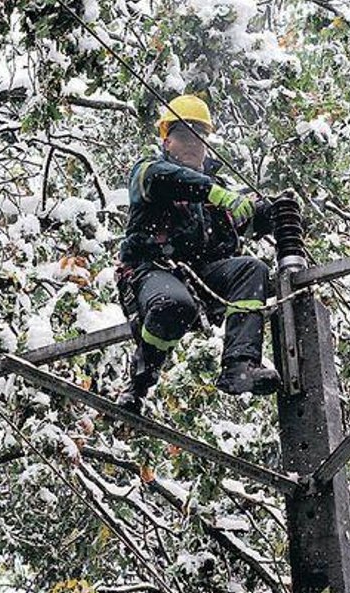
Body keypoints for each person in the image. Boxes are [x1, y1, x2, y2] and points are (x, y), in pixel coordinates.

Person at [114, 94, 281, 413]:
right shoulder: (148, 173)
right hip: (151, 272)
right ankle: (140, 380)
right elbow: (168, 181)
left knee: (251, 269)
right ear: (166, 141)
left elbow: (242, 223)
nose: (192, 144)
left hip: (201, 278)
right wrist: (218, 194)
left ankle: (239, 365)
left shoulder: (215, 195)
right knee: (173, 304)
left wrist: (269, 214)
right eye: (182, 136)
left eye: (198, 138)